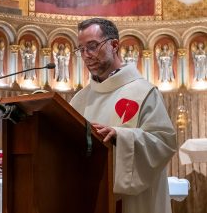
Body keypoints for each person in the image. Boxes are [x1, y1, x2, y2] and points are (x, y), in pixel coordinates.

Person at [70, 18, 176, 213]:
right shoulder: (80, 99)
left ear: (115, 45)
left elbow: (164, 142)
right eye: (81, 49)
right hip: (91, 196)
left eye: (92, 46)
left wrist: (121, 137)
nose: (86, 55)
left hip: (134, 203)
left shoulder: (143, 92)